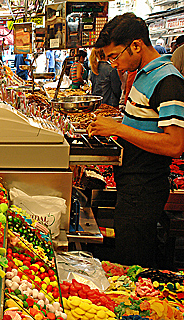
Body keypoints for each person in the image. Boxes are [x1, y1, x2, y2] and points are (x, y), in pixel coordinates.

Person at [87, 13, 184, 268]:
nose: (115, 65)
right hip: (131, 185)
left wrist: (118, 129)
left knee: (136, 264)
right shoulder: (142, 74)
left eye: (115, 56)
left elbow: (174, 144)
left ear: (137, 45)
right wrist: (117, 124)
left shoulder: (169, 81)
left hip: (145, 189)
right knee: (127, 254)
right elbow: (144, 124)